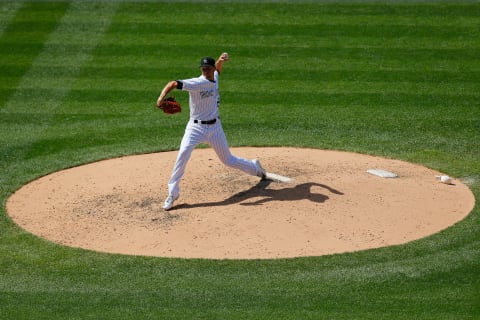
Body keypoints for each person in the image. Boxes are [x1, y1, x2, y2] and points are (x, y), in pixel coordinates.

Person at [156, 52, 266, 211]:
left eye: (208, 68)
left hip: (215, 128)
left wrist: (220, 60)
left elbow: (218, 71)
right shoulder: (196, 83)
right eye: (203, 69)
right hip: (195, 128)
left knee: (228, 160)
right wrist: (161, 98)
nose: (205, 71)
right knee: (183, 154)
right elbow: (172, 83)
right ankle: (173, 193)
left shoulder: (214, 77)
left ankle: (255, 168)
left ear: (212, 68)